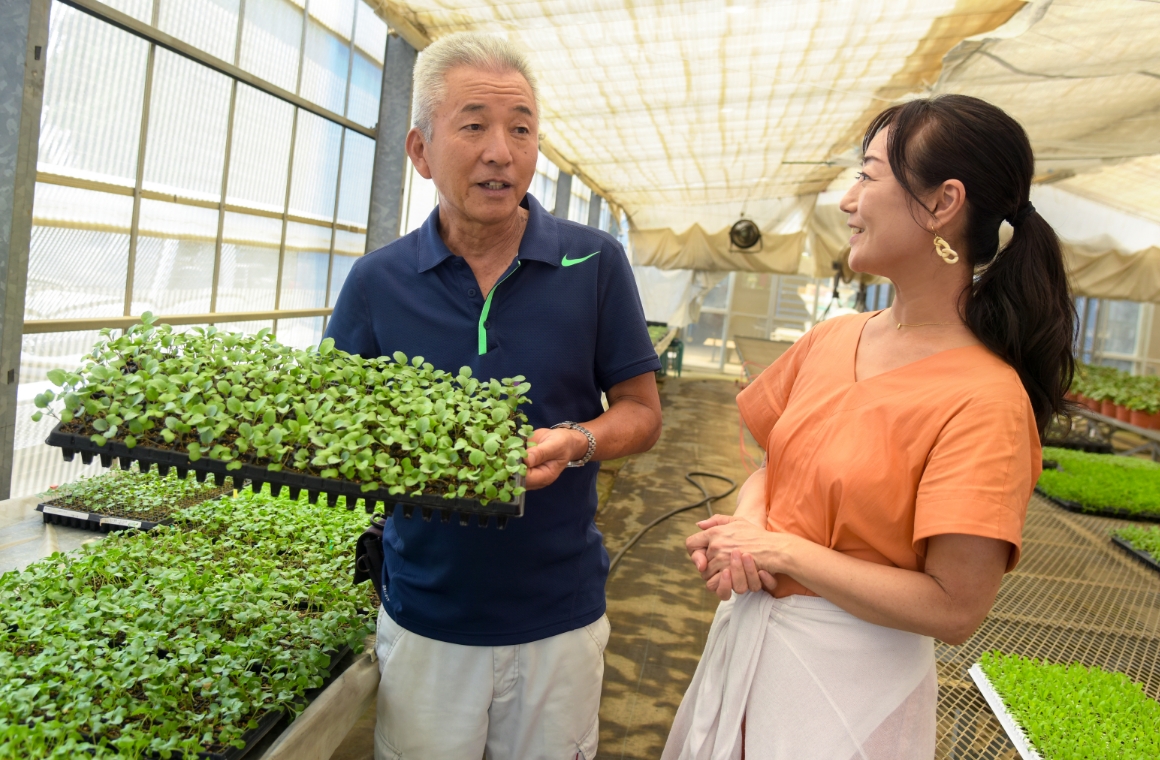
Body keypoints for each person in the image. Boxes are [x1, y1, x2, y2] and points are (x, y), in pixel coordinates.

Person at [663, 94, 1076, 759]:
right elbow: (775, 467)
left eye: (868, 174)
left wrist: (783, 552)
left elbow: (953, 607)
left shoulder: (986, 398)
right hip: (749, 647)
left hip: (850, 689)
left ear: (943, 203)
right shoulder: (833, 339)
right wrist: (746, 539)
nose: (848, 201)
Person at [323, 32, 663, 760]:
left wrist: (579, 442)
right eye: (473, 125)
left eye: (521, 128)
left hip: (560, 617)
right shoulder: (377, 284)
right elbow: (335, 428)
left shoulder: (593, 262)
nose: (500, 151)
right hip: (427, 617)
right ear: (420, 150)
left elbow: (641, 411)